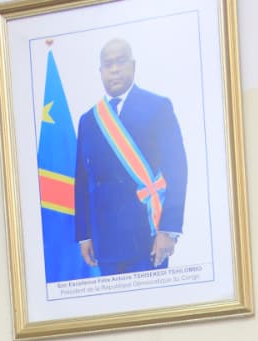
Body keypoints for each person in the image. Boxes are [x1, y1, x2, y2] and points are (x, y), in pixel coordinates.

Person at [75, 38, 188, 277]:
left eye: (121, 61)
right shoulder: (89, 120)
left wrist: (168, 229)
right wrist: (84, 235)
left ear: (133, 66)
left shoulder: (157, 107)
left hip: (147, 238)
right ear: (100, 71)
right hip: (105, 241)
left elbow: (177, 171)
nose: (114, 69)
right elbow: (83, 182)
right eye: (108, 64)